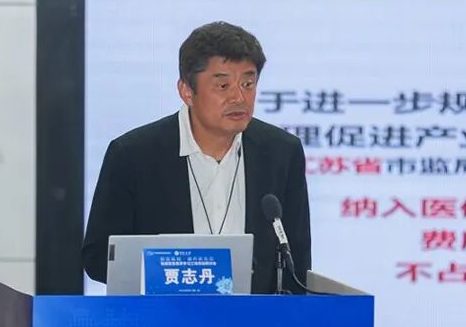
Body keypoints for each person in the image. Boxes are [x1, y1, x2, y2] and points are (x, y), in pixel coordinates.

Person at [82, 21, 311, 293]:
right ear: (186, 91)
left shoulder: (282, 152)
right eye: (223, 85)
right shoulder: (132, 155)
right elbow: (98, 258)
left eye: (248, 84)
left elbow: (297, 263)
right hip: (165, 316)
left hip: (254, 320)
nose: (239, 97)